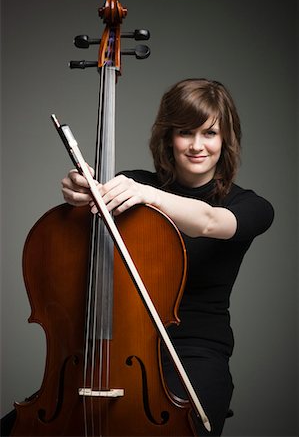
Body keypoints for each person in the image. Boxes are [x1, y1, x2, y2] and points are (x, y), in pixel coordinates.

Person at [61, 78, 274, 436]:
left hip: (195, 352)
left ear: (226, 139)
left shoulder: (250, 206)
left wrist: (147, 195)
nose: (196, 145)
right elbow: (79, 241)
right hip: (119, 345)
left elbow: (209, 221)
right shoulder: (131, 184)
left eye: (209, 133)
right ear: (168, 138)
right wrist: (78, 196)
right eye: (184, 132)